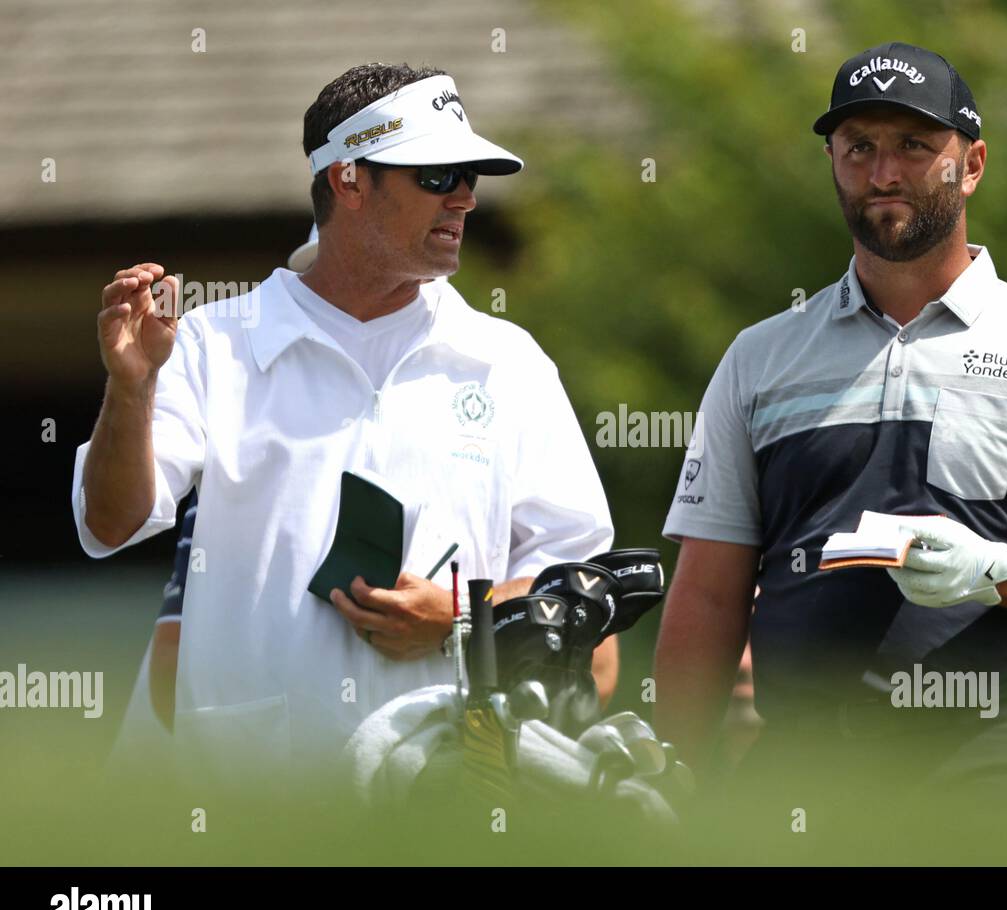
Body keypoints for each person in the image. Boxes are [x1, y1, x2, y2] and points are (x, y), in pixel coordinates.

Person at [654, 42, 1007, 829]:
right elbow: (709, 589)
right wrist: (677, 772)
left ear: (973, 163)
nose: (884, 173)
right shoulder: (759, 357)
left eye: (914, 146)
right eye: (859, 147)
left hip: (997, 764)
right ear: (832, 159)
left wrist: (999, 567)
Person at [75, 63, 614, 789]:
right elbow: (110, 524)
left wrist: (461, 615)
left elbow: (583, 593)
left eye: (471, 177)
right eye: (436, 174)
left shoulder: (508, 363)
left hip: (455, 805)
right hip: (249, 808)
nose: (464, 197)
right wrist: (131, 389)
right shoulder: (210, 344)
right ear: (349, 180)